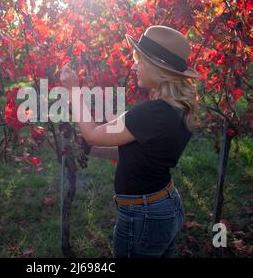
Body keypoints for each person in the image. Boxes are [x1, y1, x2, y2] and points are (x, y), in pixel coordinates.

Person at [60, 25, 199, 258]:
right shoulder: (177, 110)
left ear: (157, 69)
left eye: (139, 61)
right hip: (166, 205)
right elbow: (133, 151)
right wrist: (92, 150)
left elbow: (93, 132)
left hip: (143, 216)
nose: (134, 67)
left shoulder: (150, 113)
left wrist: (74, 91)